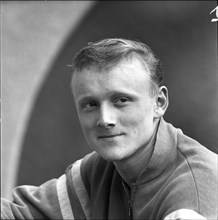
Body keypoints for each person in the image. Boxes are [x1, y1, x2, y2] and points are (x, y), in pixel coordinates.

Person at [1, 38, 217, 220]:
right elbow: (17, 215)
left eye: (121, 100)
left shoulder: (195, 195)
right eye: (90, 104)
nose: (105, 119)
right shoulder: (99, 170)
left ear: (159, 102)